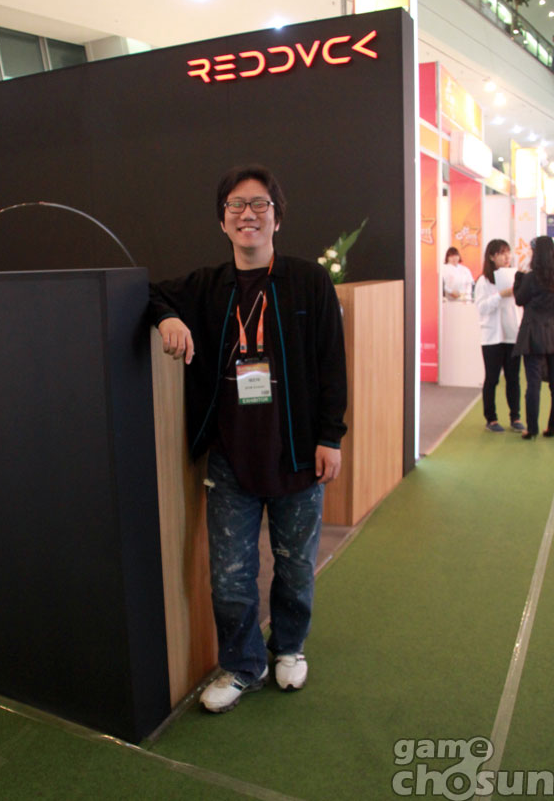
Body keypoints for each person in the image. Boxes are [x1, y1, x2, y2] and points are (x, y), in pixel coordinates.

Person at [148, 164, 347, 713]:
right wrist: (169, 320)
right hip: (231, 457)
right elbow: (151, 293)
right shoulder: (209, 285)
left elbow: (332, 363)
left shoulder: (309, 280)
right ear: (223, 221)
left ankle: (289, 647)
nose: (247, 215)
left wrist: (331, 436)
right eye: (236, 205)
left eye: (259, 204)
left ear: (277, 217)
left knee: (295, 566)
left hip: (297, 454)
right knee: (230, 575)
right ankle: (242, 665)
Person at [474, 239, 524, 433]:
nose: (506, 257)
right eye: (502, 253)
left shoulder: (515, 277)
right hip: (492, 338)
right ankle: (491, 418)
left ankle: (515, 417)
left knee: (513, 379)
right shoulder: (484, 281)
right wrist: (500, 295)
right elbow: (482, 307)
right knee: (492, 379)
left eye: (508, 252)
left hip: (512, 334)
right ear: (492, 257)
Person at [513, 236, 554, 439]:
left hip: (532, 335)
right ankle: (552, 427)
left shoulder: (530, 278)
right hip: (552, 332)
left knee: (533, 384)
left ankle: (532, 428)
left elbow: (519, 300)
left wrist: (518, 277)